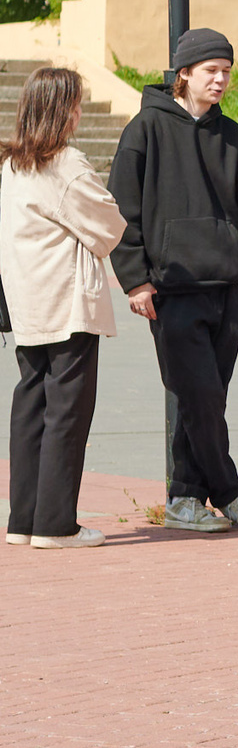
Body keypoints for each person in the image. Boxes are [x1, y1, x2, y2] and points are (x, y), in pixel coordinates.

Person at [109, 27, 238, 534]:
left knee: (205, 400)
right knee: (200, 395)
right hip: (171, 291)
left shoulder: (234, 137)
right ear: (184, 74)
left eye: (227, 70)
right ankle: (229, 492)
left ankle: (184, 498)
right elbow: (121, 213)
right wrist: (135, 280)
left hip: (226, 290)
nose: (222, 79)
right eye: (211, 70)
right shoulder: (145, 131)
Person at [3, 68, 128, 548]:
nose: (79, 111)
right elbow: (109, 227)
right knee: (68, 411)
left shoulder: (12, 166)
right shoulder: (67, 165)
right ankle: (56, 524)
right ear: (63, 109)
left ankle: (24, 519)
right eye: (76, 103)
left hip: (27, 301)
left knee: (30, 404)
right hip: (68, 301)